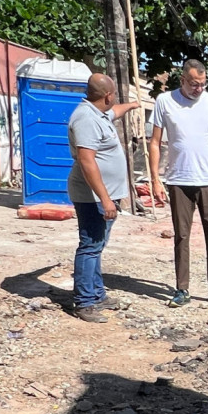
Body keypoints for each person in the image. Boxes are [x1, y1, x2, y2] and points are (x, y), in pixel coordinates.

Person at [148, 59, 208, 308]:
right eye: (193, 84)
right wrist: (155, 179)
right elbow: (155, 142)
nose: (198, 89)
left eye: (202, 84)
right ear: (182, 80)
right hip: (179, 181)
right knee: (182, 235)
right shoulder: (164, 102)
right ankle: (182, 288)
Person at [66, 73, 140, 323]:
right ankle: (84, 301)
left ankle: (96, 294)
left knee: (97, 245)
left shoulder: (97, 113)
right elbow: (87, 162)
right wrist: (105, 200)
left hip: (102, 195)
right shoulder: (86, 119)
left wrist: (130, 106)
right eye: (114, 96)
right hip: (92, 196)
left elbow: (114, 112)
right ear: (107, 95)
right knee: (89, 245)